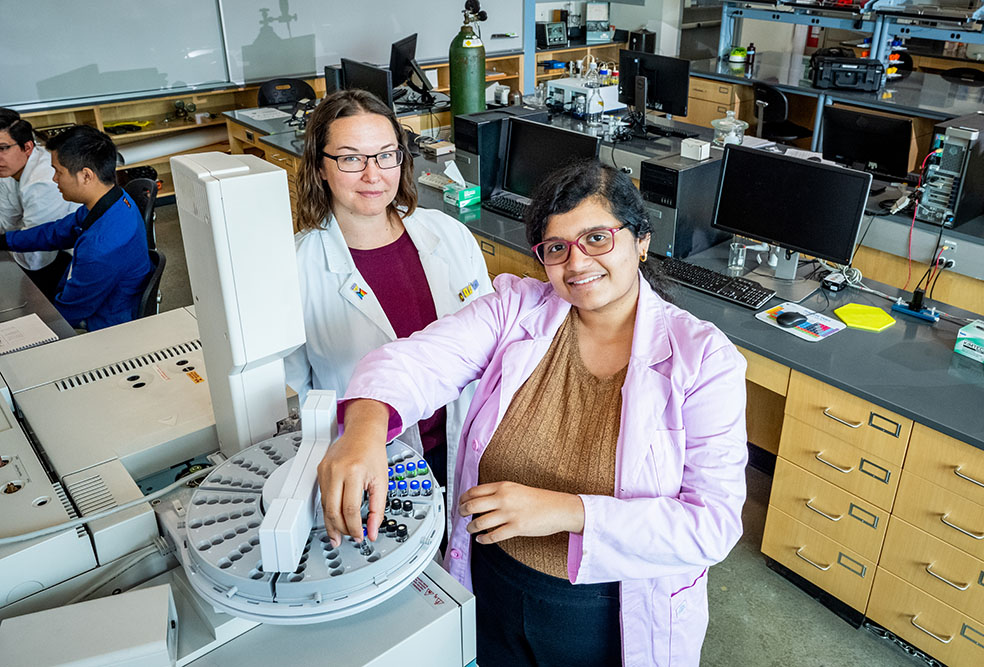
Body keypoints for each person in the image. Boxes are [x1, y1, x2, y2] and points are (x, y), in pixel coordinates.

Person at [318, 160, 748, 666]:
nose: (577, 263)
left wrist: (566, 511)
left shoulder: (702, 358)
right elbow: (414, 362)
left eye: (597, 239)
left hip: (604, 612)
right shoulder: (515, 309)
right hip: (493, 583)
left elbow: (711, 523)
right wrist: (364, 428)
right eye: (556, 249)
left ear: (642, 240)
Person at [283, 89, 491, 495]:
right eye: (350, 158)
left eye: (385, 154)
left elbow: (491, 345)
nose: (372, 174)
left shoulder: (449, 235)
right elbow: (293, 394)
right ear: (320, 168)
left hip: (466, 446)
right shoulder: (295, 268)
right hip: (370, 464)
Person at [0, 125, 151, 331]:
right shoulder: (112, 200)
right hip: (97, 298)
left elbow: (65, 317)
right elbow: (57, 231)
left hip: (106, 326)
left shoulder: (100, 248)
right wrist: (5, 241)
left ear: (86, 176)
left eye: (58, 172)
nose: (54, 179)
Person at [0, 109, 79, 299]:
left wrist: (11, 239)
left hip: (67, 259)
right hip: (42, 252)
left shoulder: (44, 181)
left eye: (2, 148)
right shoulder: (10, 168)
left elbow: (34, 258)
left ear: (27, 147)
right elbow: (5, 223)